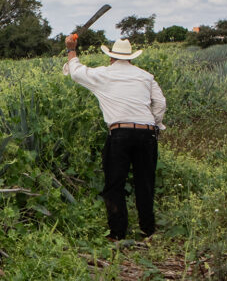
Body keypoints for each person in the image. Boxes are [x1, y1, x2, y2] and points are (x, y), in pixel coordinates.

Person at [63, 34, 167, 241]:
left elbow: (75, 72)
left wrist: (71, 49)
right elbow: (160, 103)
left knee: (114, 184)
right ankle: (148, 229)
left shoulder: (104, 74)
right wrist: (155, 125)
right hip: (146, 132)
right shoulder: (146, 76)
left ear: (110, 57)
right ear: (130, 58)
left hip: (120, 133)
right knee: (145, 182)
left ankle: (118, 233)